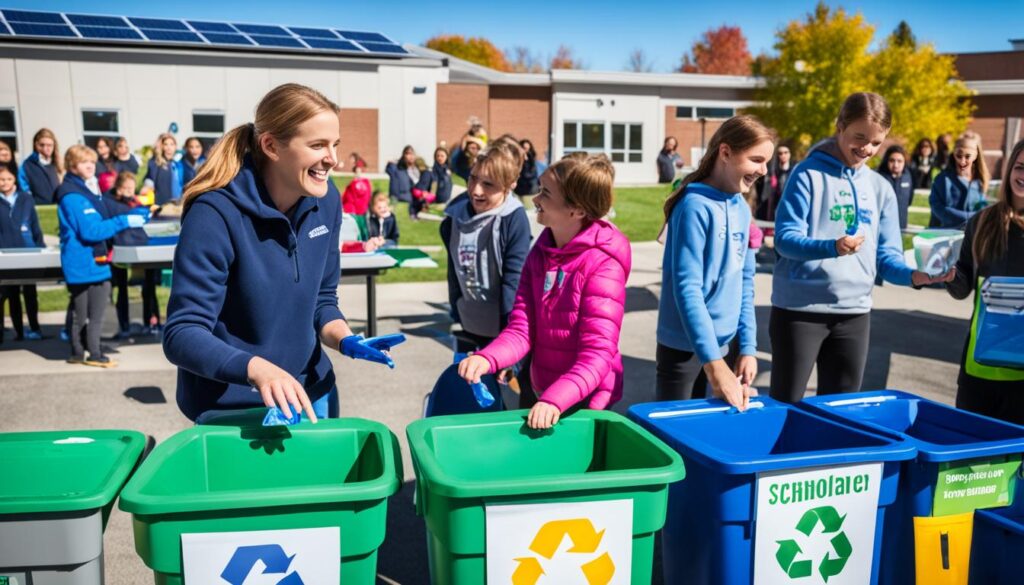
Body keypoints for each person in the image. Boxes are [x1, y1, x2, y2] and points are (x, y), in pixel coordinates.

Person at [162, 83, 402, 424]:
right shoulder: (214, 213)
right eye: (318, 145)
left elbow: (321, 299)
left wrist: (345, 339)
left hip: (313, 393)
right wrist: (257, 370)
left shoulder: (327, 199)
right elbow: (182, 333)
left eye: (335, 145)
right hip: (235, 408)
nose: (332, 159)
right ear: (271, 146)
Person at [769, 92, 954, 403]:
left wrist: (915, 277)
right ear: (840, 126)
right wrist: (833, 247)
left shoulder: (880, 188)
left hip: (855, 315)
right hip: (799, 312)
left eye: (876, 142)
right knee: (786, 408)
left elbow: (887, 257)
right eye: (859, 137)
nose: (867, 149)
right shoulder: (807, 174)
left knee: (841, 414)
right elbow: (785, 240)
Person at [458, 154, 629, 428]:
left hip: (585, 400)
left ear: (577, 210)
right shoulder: (542, 251)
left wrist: (554, 400)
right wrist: (487, 358)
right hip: (542, 390)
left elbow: (597, 356)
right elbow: (521, 329)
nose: (536, 199)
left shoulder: (604, 267)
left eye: (546, 193)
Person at [656, 116, 770, 409]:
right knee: (673, 440)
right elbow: (687, 288)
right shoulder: (693, 206)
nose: (764, 170)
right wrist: (714, 365)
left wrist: (747, 347)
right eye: (756, 159)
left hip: (723, 348)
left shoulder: (742, 210)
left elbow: (745, 284)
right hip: (683, 350)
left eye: (766, 161)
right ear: (726, 153)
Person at [945, 139, 1024, 424]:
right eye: (1020, 167)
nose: (1023, 176)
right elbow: (963, 286)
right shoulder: (982, 222)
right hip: (979, 370)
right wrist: (949, 274)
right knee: (972, 462)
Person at [57, 145, 149, 367]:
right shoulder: (72, 195)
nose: (90, 166)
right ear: (72, 166)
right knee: (85, 313)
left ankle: (88, 348)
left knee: (92, 311)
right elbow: (91, 231)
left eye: (92, 161)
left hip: (94, 260)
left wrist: (128, 214)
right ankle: (86, 353)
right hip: (82, 262)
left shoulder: (87, 190)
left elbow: (103, 216)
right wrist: (124, 221)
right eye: (83, 162)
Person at [441, 138, 531, 351]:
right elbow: (454, 272)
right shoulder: (454, 218)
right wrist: (456, 310)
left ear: (510, 186)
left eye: (488, 184)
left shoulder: (513, 219)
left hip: (504, 330)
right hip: (468, 322)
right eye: (472, 179)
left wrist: (510, 336)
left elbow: (515, 282)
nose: (476, 191)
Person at [105, 172, 160, 338]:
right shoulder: (110, 203)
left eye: (132, 187)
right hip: (119, 249)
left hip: (140, 246)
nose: (130, 191)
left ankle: (151, 322)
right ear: (118, 188)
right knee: (121, 287)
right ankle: (124, 325)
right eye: (126, 188)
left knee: (148, 285)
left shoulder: (135, 201)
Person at [0, 163, 44, 340]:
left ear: (14, 180)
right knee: (11, 295)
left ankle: (35, 328)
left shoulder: (25, 198)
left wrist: (40, 248)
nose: (4, 182)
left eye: (8, 179)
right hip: (6, 255)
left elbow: (35, 225)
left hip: (28, 253)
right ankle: (18, 331)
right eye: (1, 179)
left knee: (30, 293)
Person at [929, 133, 990, 229]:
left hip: (972, 236)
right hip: (944, 236)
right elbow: (938, 209)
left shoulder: (980, 181)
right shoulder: (942, 179)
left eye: (967, 156)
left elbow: (984, 210)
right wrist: (970, 217)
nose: (962, 161)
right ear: (953, 154)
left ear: (975, 156)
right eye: (959, 155)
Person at [876, 144, 914, 230]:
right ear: (886, 161)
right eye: (892, 161)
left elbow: (910, 199)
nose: (896, 165)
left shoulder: (907, 176)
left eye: (900, 161)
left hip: (901, 226)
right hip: (881, 227)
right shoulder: (879, 177)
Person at [20, 129, 62, 205]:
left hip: (58, 206)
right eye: (42, 145)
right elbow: (24, 190)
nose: (45, 149)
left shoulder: (58, 164)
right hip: (39, 208)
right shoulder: (27, 165)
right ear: (35, 145)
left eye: (49, 145)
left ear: (54, 146)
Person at [141, 133, 184, 206]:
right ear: (161, 146)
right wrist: (147, 187)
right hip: (161, 205)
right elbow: (150, 179)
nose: (169, 147)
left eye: (172, 144)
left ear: (175, 147)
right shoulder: (155, 163)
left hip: (177, 204)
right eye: (165, 144)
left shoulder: (178, 164)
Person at [756, 143, 793, 221]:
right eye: (780, 153)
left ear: (789, 154)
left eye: (786, 152)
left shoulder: (794, 170)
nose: (783, 155)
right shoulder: (771, 171)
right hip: (771, 205)